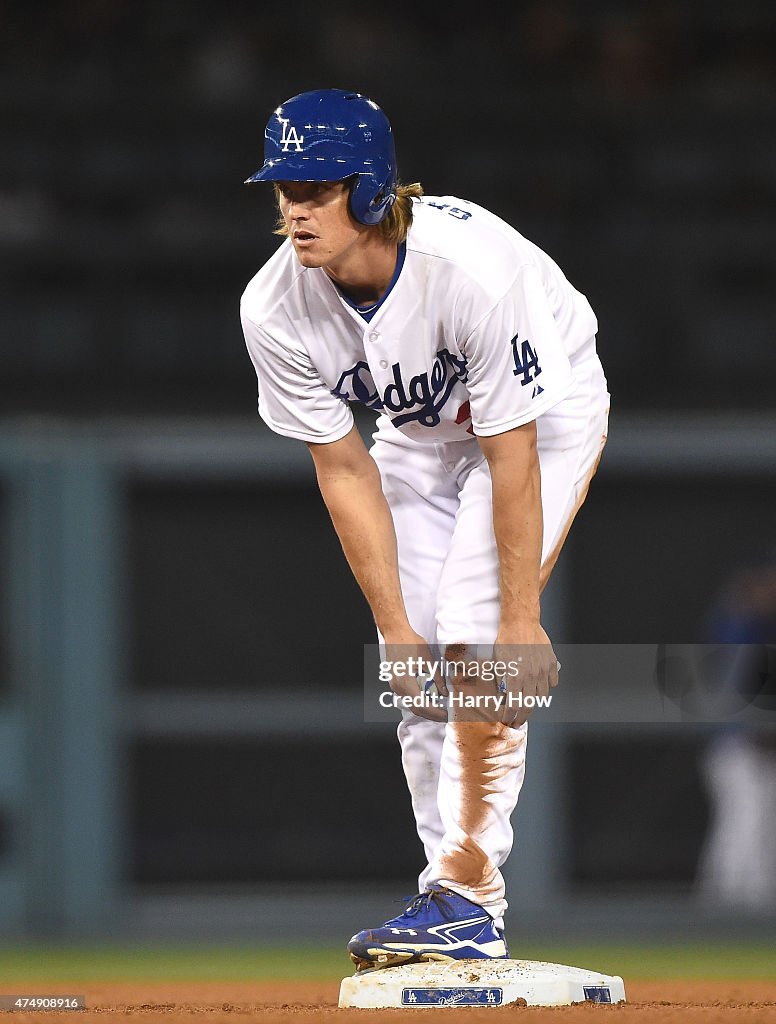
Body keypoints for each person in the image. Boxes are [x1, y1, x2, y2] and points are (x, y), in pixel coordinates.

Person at [240, 89, 609, 971]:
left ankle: (467, 897)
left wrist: (521, 619)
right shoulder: (275, 308)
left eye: (317, 187)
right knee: (418, 674)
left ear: (371, 190)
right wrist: (394, 629)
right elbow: (343, 467)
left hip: (541, 416)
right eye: (285, 187)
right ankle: (450, 902)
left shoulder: (471, 271)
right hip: (418, 433)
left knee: (478, 637)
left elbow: (512, 452)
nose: (295, 209)